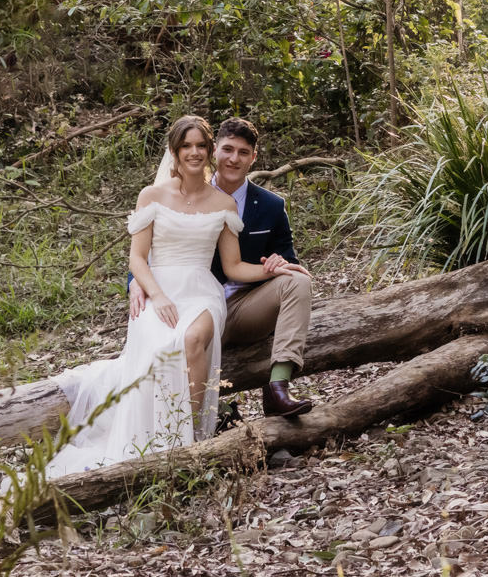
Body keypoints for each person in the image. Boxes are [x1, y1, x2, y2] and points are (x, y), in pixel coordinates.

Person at [40, 116, 310, 480]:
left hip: (206, 293)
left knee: (191, 337)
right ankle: (152, 441)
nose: (196, 152)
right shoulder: (152, 196)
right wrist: (145, 288)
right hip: (162, 290)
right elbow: (138, 257)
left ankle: (194, 439)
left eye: (201, 145)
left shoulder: (231, 205)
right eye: (189, 146)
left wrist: (278, 268)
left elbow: (233, 266)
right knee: (160, 346)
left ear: (249, 157)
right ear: (176, 152)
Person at [130, 116, 314, 418]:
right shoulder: (161, 195)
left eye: (243, 152)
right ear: (215, 152)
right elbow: (145, 251)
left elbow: (270, 259)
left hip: (239, 306)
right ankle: (216, 415)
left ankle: (278, 387)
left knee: (298, 281)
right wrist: (136, 282)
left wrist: (281, 265)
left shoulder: (269, 205)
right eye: (228, 150)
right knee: (179, 343)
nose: (234, 159)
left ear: (253, 158)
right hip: (179, 299)